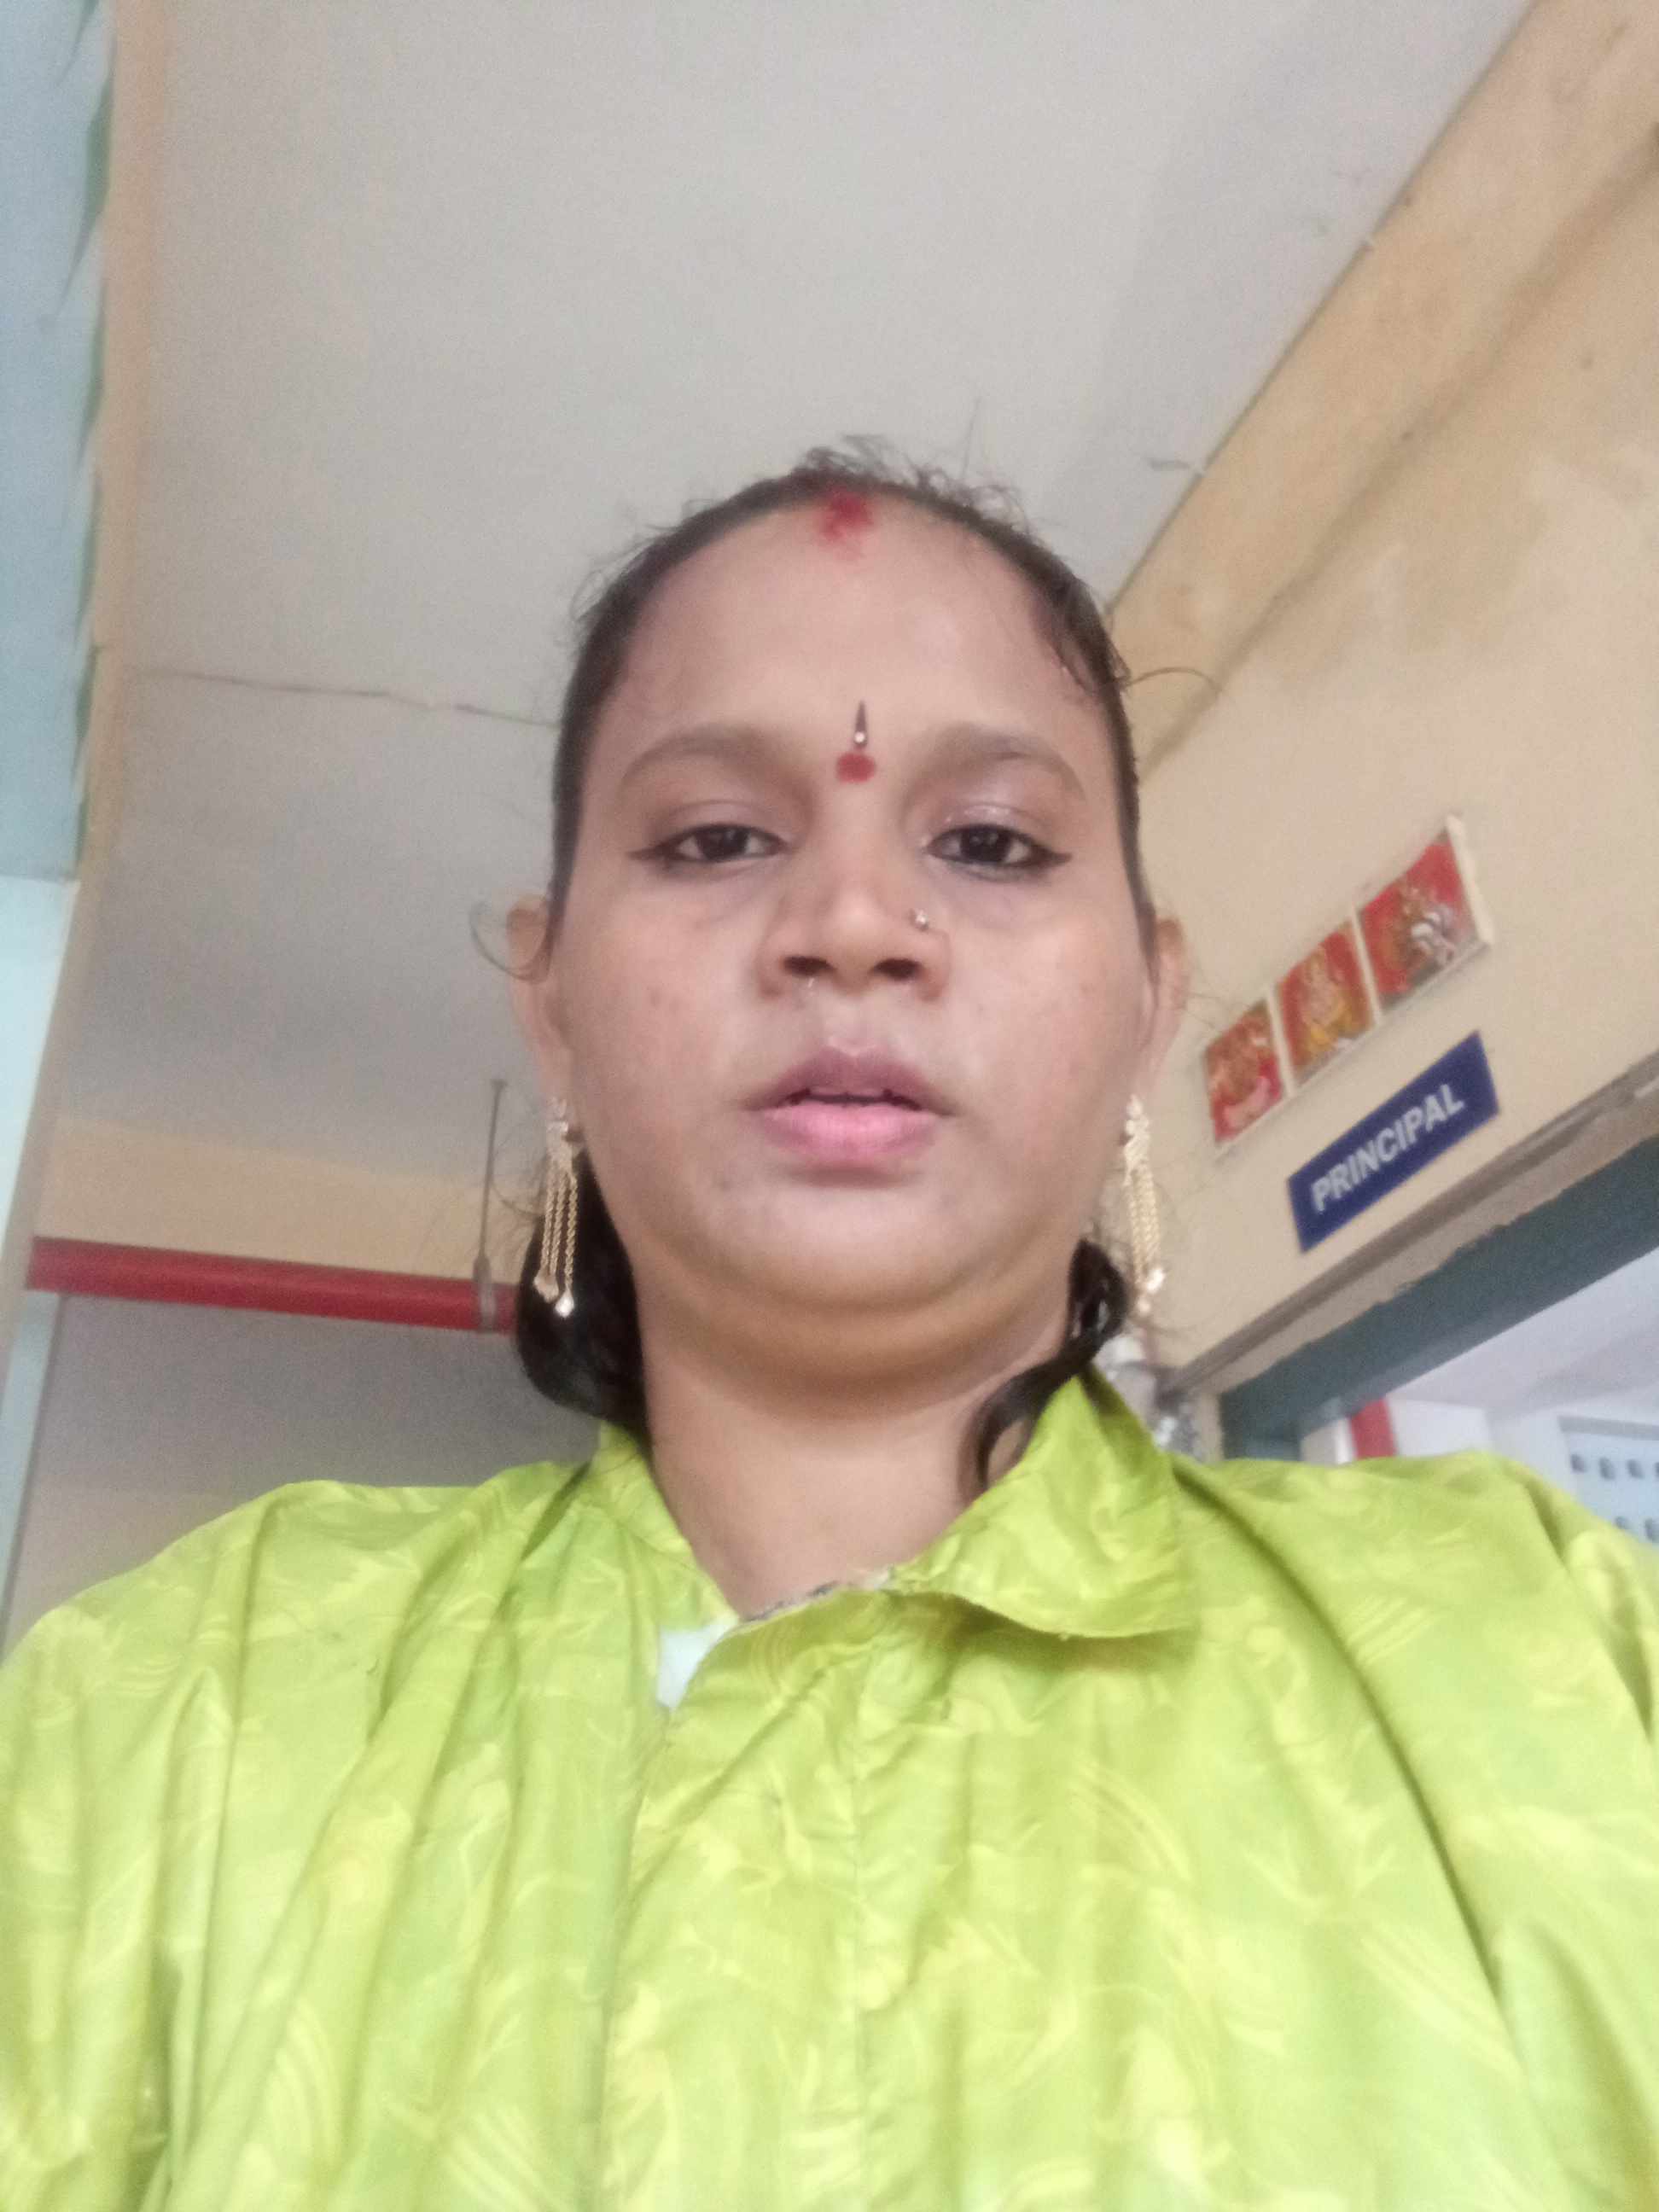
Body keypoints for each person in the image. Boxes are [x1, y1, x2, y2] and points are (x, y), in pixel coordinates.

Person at [2, 450, 1656, 2211]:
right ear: (551, 1005)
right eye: (716, 838)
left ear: (1148, 1001)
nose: (855, 926)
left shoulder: (1552, 1657)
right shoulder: (171, 1714)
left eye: (991, 843)